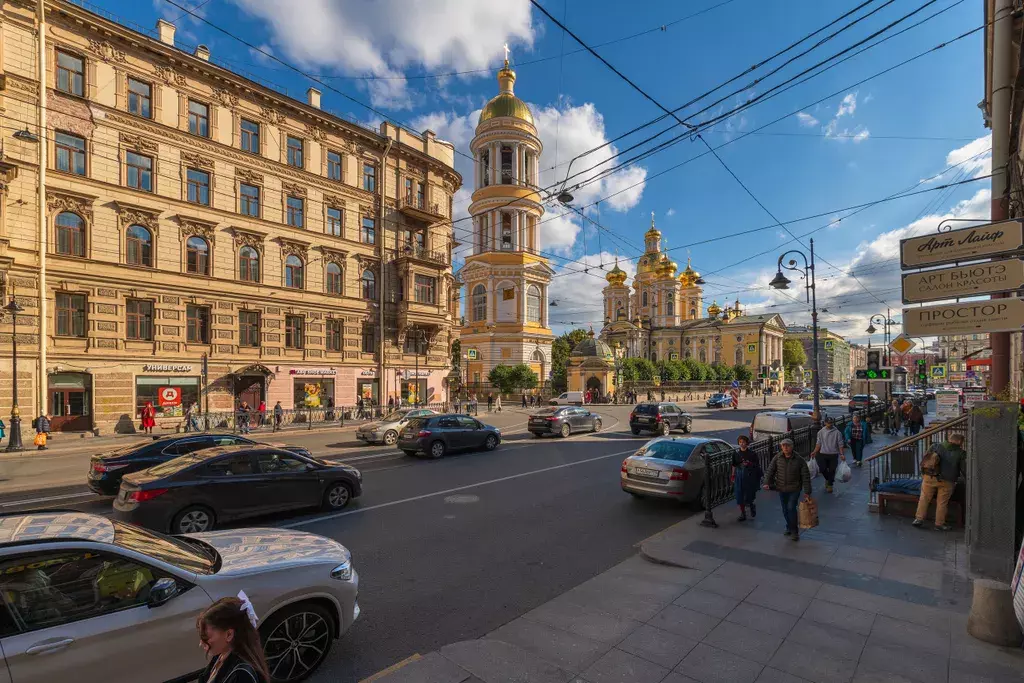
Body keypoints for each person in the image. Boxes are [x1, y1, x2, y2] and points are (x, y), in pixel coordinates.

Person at [196, 594, 270, 683]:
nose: (201, 643)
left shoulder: (241, 675)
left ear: (229, 635)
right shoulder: (220, 655)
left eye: (206, 637)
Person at [913, 432, 966, 531]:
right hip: (947, 481)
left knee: (924, 498)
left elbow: (926, 460)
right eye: (962, 442)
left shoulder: (935, 446)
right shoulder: (961, 453)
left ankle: (918, 519)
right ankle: (939, 524)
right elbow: (964, 469)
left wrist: (923, 474)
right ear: (958, 441)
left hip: (930, 477)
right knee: (942, 502)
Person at [763, 438, 812, 541]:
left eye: (787, 445)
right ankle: (789, 526)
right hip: (781, 488)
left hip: (794, 489)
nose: (785, 447)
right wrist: (767, 482)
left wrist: (807, 491)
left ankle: (794, 531)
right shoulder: (778, 457)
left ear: (792, 447)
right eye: (783, 446)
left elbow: (805, 476)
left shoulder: (799, 460)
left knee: (791, 508)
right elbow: (770, 470)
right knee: (785, 509)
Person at [810, 416, 846, 493]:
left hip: (833, 454)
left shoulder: (837, 433)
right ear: (825, 423)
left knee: (832, 470)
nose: (830, 424)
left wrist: (842, 454)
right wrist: (815, 451)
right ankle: (827, 479)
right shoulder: (820, 432)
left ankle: (830, 484)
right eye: (828, 423)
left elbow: (840, 444)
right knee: (822, 469)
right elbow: (818, 443)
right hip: (823, 454)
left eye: (831, 423)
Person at [732, 435, 761, 521]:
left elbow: (757, 465)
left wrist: (749, 464)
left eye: (743, 442)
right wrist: (733, 475)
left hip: (749, 477)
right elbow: (733, 465)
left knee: (749, 496)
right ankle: (743, 513)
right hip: (739, 476)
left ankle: (752, 506)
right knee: (739, 495)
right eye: (740, 442)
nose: (742, 444)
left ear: (747, 443)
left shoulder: (752, 454)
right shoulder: (736, 453)